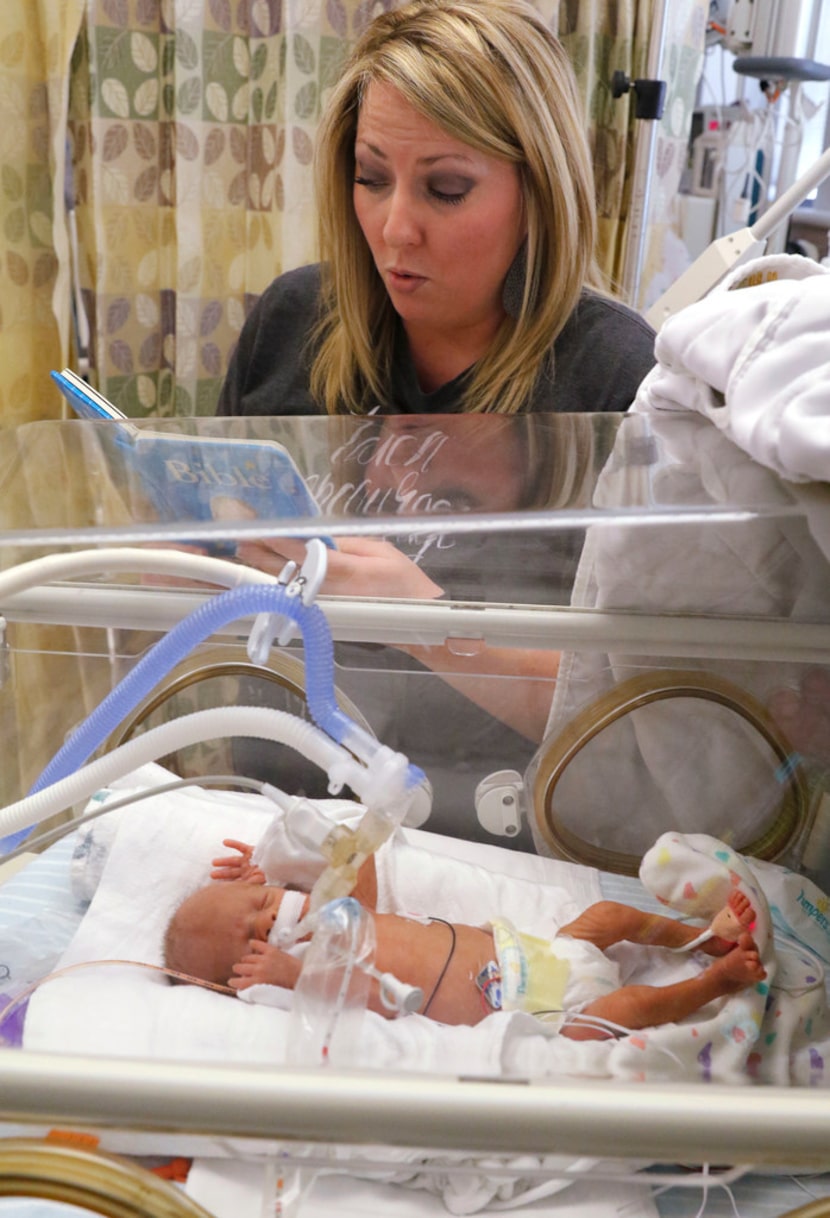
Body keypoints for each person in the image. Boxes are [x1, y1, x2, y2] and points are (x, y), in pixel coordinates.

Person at [217, 0, 655, 422]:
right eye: (371, 178)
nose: (396, 230)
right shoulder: (290, 317)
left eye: (446, 189)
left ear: (539, 194)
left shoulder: (619, 380)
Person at [163, 837, 767, 1038]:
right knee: (629, 1008)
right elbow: (347, 1008)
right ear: (243, 978)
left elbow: (363, 867)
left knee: (610, 916)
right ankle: (719, 980)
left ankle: (701, 939)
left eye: (262, 906)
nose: (268, 924)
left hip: (538, 952)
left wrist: (274, 862)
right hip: (537, 1014)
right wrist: (289, 976)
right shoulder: (299, 979)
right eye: (251, 941)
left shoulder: (335, 916)